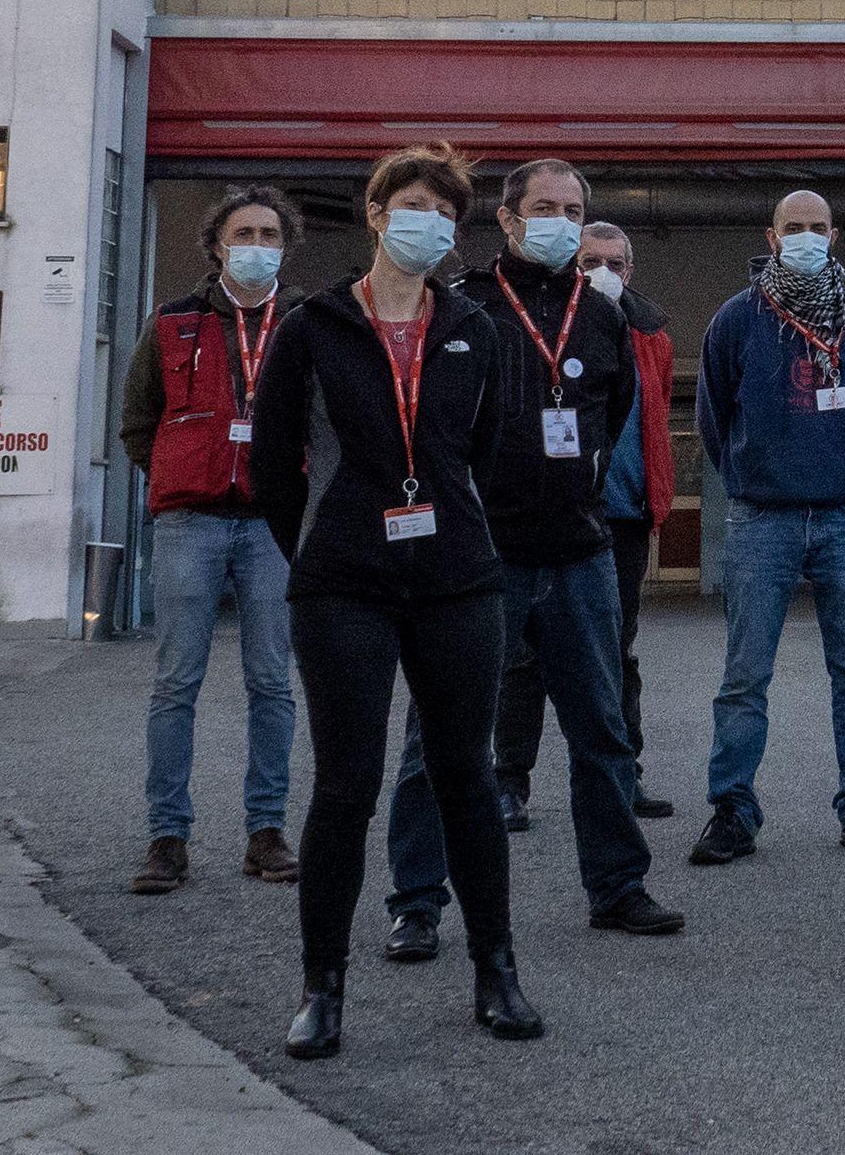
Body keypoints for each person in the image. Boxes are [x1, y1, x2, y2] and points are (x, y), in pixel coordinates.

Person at [249, 144, 540, 1057]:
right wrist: (326, 548)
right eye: (416, 206)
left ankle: (496, 972)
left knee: (467, 777)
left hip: (457, 580)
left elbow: (482, 453)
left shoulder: (474, 328)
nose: (433, 225)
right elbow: (271, 465)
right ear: (377, 214)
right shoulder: (314, 326)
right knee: (346, 786)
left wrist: (447, 521)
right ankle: (322, 989)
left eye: (448, 215)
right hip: (344, 585)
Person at [382, 161, 682, 959]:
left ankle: (617, 886)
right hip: (482, 558)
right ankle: (416, 902)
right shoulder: (467, 305)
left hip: (580, 553)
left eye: (572, 209)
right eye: (542, 208)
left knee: (603, 732)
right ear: (509, 221)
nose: (558, 220)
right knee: (440, 736)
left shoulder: (604, 315)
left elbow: (609, 418)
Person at [689, 189, 845, 865]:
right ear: (773, 235)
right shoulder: (738, 317)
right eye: (795, 227)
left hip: (844, 516)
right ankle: (732, 809)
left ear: (835, 236)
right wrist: (757, 472)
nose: (807, 236)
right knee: (745, 675)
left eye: (818, 227)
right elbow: (711, 417)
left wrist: (844, 467)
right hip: (763, 519)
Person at [119, 185, 306, 896]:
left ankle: (267, 830)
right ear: (217, 245)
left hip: (270, 525)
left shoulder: (304, 322)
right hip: (190, 520)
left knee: (271, 681)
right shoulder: (172, 322)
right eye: (244, 233)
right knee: (175, 683)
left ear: (283, 246)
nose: (257, 245)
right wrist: (177, 473)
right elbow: (139, 418)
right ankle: (167, 837)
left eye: (268, 233)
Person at [489, 221, 676, 822]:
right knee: (520, 656)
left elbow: (641, 413)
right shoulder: (543, 320)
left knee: (615, 653)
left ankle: (625, 775)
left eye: (615, 264)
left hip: (617, 517)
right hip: (536, 513)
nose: (603, 272)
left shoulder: (651, 333)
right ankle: (509, 781)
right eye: (590, 260)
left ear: (630, 270)